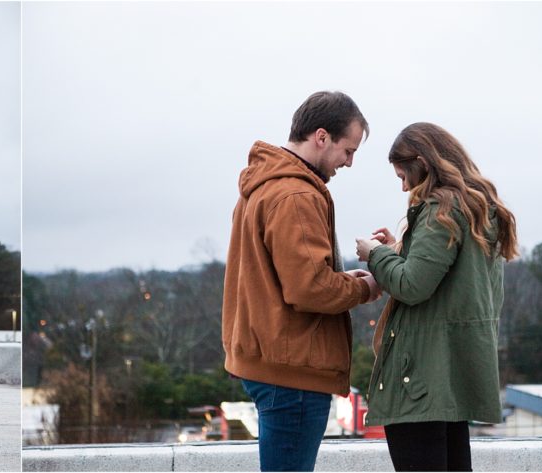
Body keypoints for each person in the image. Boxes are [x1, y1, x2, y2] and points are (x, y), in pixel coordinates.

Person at [222, 91, 381, 472]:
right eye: (348, 150)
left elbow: (291, 278)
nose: (350, 162)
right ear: (321, 137)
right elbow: (308, 288)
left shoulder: (265, 185)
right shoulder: (295, 194)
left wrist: (339, 279)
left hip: (269, 362)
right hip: (292, 373)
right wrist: (366, 287)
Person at [355, 122, 518, 472]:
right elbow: (446, 282)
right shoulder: (478, 208)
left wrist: (375, 255)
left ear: (423, 164)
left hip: (422, 381)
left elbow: (413, 286)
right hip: (450, 376)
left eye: (403, 175)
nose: (403, 186)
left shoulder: (441, 211)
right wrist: (400, 250)